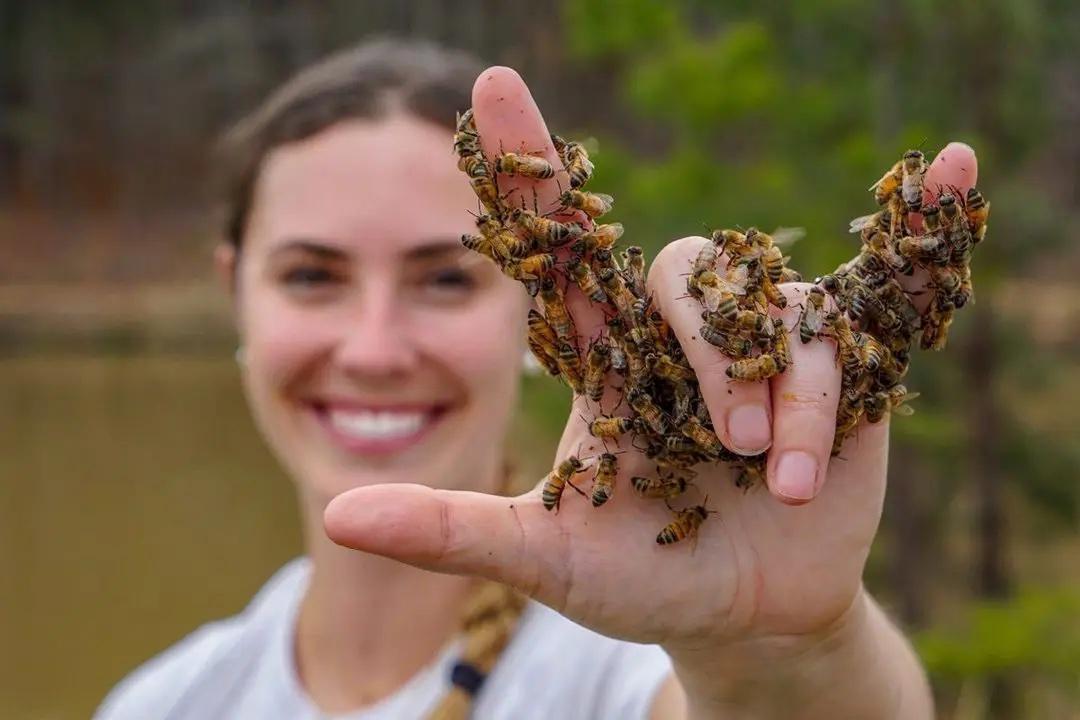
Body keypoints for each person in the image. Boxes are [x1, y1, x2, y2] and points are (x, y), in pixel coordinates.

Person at [97, 38, 977, 719]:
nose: (372, 348)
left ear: (535, 308)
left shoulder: (632, 663)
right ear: (233, 294)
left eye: (444, 279)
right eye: (311, 276)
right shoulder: (166, 702)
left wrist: (779, 654)